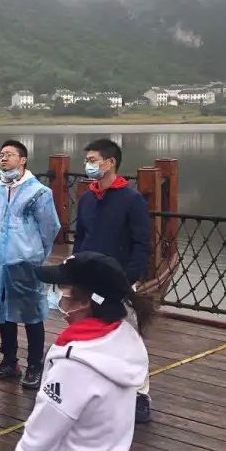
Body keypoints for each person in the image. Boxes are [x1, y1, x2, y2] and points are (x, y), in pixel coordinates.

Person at [14, 253, 152, 451]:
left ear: (84, 302)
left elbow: (39, 437)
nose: (58, 298)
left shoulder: (75, 365)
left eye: (62, 290)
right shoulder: (123, 345)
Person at [74, 138, 154, 423]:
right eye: (87, 160)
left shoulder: (131, 199)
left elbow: (142, 244)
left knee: (129, 336)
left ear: (110, 163)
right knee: (91, 334)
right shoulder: (87, 198)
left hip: (120, 280)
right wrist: (76, 267)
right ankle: (96, 388)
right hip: (90, 278)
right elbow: (81, 237)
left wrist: (126, 279)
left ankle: (140, 394)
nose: (88, 165)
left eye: (93, 160)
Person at [0, 140, 61, 390]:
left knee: (31, 314)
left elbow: (50, 227)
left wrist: (35, 253)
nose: (4, 158)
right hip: (0, 263)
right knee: (3, 313)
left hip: (26, 262)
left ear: (23, 160)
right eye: (1, 154)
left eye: (10, 154)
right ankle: (9, 360)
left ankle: (35, 364)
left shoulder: (39, 192)